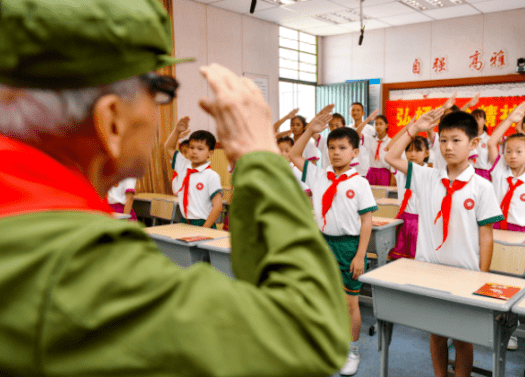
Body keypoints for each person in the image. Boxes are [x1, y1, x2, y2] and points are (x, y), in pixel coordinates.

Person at [0, 1, 351, 375]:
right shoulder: (74, 264)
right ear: (112, 121)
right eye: (160, 90)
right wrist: (259, 156)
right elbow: (309, 332)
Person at [385, 109, 503, 377]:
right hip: (431, 272)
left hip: (466, 275)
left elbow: (487, 236)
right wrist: (414, 127)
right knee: (436, 335)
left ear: (473, 144)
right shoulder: (427, 177)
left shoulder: (481, 187)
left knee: (463, 339)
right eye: (443, 140)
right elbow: (390, 156)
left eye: (456, 140)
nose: (448, 147)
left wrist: (481, 277)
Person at [290, 107, 377, 376]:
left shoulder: (360, 183)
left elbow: (367, 222)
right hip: (322, 242)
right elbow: (293, 154)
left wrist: (361, 255)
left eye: (342, 147)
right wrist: (309, 130)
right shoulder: (318, 175)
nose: (336, 152)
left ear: (355, 153)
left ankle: (352, 349)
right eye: (331, 147)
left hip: (349, 246)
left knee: (350, 302)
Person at [488, 101, 525, 233]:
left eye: (519, 151)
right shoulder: (500, 169)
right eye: (508, 151)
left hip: (521, 229)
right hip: (495, 226)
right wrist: (510, 120)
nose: (512, 156)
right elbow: (492, 142)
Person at [165, 123, 223, 228]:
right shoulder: (183, 165)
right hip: (185, 221)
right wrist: (177, 131)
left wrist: (204, 229)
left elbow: (218, 207)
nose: (194, 152)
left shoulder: (211, 176)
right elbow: (168, 147)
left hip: (204, 223)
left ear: (210, 153)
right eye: (191, 147)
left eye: (200, 149)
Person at [389, 136, 430, 260]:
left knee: (420, 261)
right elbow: (390, 149)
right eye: (409, 150)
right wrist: (410, 131)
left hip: (423, 223)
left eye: (418, 150)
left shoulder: (431, 173)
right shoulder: (401, 172)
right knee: (399, 261)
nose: (413, 154)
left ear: (426, 153)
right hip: (404, 221)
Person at [347, 103, 379, 176]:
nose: (355, 112)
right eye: (353, 110)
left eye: (358, 110)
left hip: (366, 169)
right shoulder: (347, 129)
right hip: (350, 169)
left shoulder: (370, 129)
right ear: (349, 113)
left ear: (363, 113)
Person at [365, 115, 392, 186]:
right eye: (376, 124)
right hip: (371, 172)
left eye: (381, 124)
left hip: (384, 173)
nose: (378, 126)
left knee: (383, 195)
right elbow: (357, 134)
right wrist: (367, 120)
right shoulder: (370, 139)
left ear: (386, 125)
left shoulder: (390, 142)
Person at [469, 108, 492, 181]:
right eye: (473, 119)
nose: (475, 121)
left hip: (484, 174)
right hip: (469, 172)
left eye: (478, 118)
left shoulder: (489, 140)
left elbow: (493, 161)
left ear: (485, 121)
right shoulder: (467, 139)